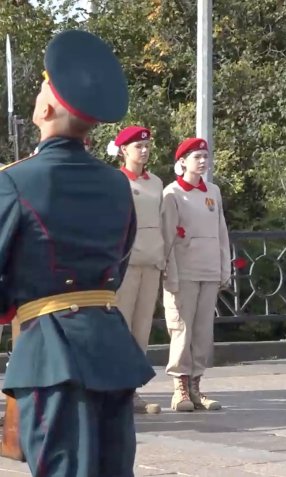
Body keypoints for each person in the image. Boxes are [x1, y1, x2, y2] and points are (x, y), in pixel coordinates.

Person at [0, 29, 155, 475]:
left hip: (50, 354)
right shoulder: (115, 182)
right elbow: (119, 264)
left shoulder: (14, 181)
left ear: (46, 107)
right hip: (110, 344)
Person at [161, 138, 231, 412]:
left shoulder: (212, 190)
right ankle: (179, 387)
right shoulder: (173, 193)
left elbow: (221, 233)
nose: (202, 161)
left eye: (205, 156)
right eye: (196, 157)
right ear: (182, 162)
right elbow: (167, 237)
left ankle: (196, 386)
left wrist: (224, 268)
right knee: (182, 329)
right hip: (184, 272)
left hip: (209, 270)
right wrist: (170, 274)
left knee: (203, 331)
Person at [110, 125, 164, 415]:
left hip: (152, 261)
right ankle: (116, 391)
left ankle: (132, 391)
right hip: (126, 263)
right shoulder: (115, 180)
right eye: (137, 147)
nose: (144, 151)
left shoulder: (156, 182)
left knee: (142, 330)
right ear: (123, 150)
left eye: (146, 146)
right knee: (122, 328)